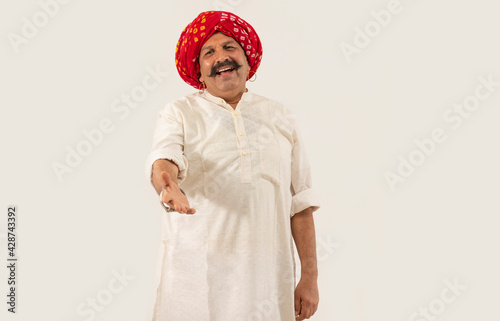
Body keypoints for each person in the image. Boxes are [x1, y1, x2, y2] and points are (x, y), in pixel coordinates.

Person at [145, 10, 320, 321]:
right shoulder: (180, 113)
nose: (221, 57)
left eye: (230, 47)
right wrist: (168, 185)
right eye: (208, 53)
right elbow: (165, 157)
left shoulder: (279, 116)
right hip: (196, 283)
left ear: (247, 60)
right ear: (198, 71)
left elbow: (301, 204)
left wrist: (309, 278)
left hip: (266, 285)